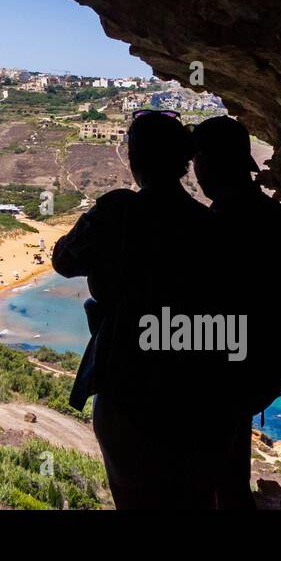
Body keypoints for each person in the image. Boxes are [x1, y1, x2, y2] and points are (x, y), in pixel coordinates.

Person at [54, 110, 230, 508]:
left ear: (133, 160)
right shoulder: (210, 225)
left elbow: (64, 261)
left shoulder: (117, 211)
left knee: (133, 492)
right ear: (184, 164)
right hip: (196, 381)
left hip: (125, 375)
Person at [190, 115, 281, 509]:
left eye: (197, 161)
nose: (195, 171)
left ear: (207, 163)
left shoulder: (220, 220)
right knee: (230, 474)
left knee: (215, 479)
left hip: (228, 368)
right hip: (262, 364)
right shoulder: (274, 215)